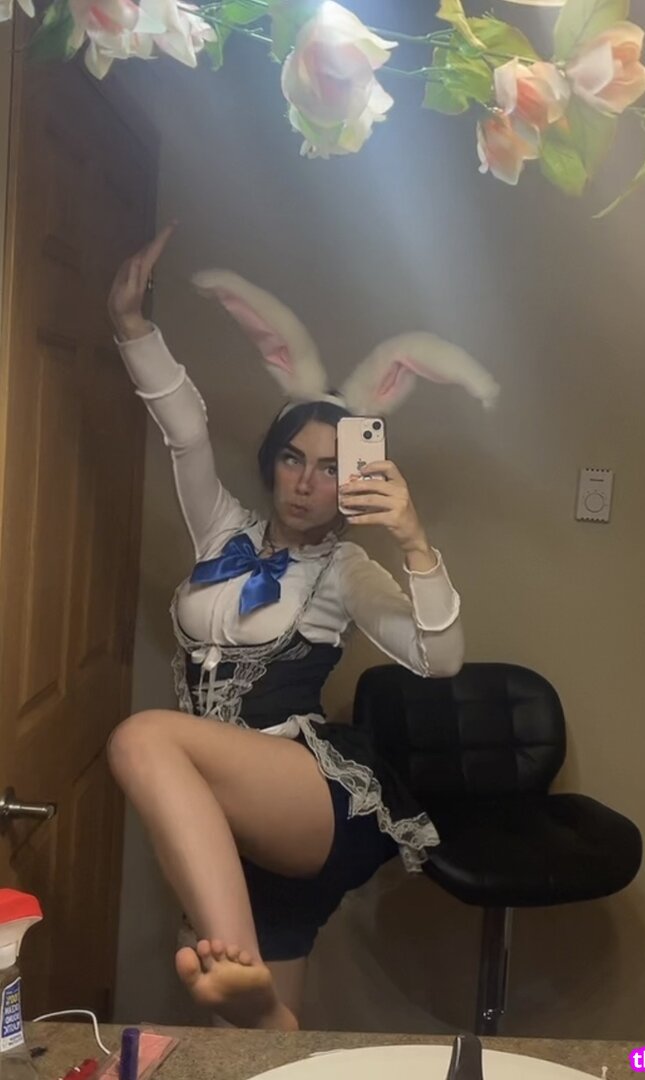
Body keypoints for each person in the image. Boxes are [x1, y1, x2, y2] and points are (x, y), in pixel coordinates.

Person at [105, 223, 499, 1031]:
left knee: (143, 738)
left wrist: (414, 540)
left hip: (305, 796)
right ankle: (266, 1012)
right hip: (224, 807)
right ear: (272, 459)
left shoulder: (343, 568)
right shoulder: (221, 533)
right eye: (294, 458)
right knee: (253, 1038)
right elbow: (185, 433)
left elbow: (440, 659)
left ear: (353, 477)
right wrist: (132, 327)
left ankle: (246, 977)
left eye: (330, 467)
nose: (307, 483)